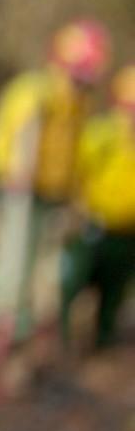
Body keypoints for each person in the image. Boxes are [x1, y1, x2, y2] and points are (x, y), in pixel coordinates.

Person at [0, 18, 111, 345]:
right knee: (12, 263)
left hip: (51, 196)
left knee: (42, 268)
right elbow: (11, 137)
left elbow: (74, 153)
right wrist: (16, 171)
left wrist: (74, 194)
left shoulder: (79, 105)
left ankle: (24, 329)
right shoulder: (36, 92)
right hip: (17, 193)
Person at [59, 65, 135, 352]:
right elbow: (77, 171)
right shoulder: (102, 134)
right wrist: (75, 210)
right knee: (74, 282)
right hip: (93, 225)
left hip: (128, 232)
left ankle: (104, 342)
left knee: (114, 293)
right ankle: (61, 339)